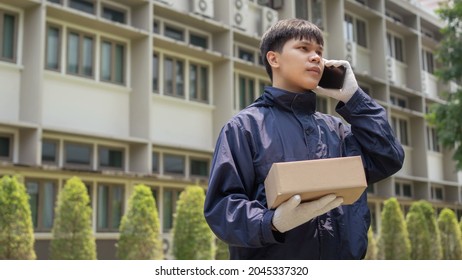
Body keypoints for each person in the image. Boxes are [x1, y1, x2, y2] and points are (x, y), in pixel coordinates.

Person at [204, 18, 404, 259]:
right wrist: (272, 222)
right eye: (304, 48)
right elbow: (222, 208)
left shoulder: (336, 130)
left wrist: (355, 98)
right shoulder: (244, 128)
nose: (316, 57)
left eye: (319, 51)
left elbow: (388, 158)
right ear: (273, 58)